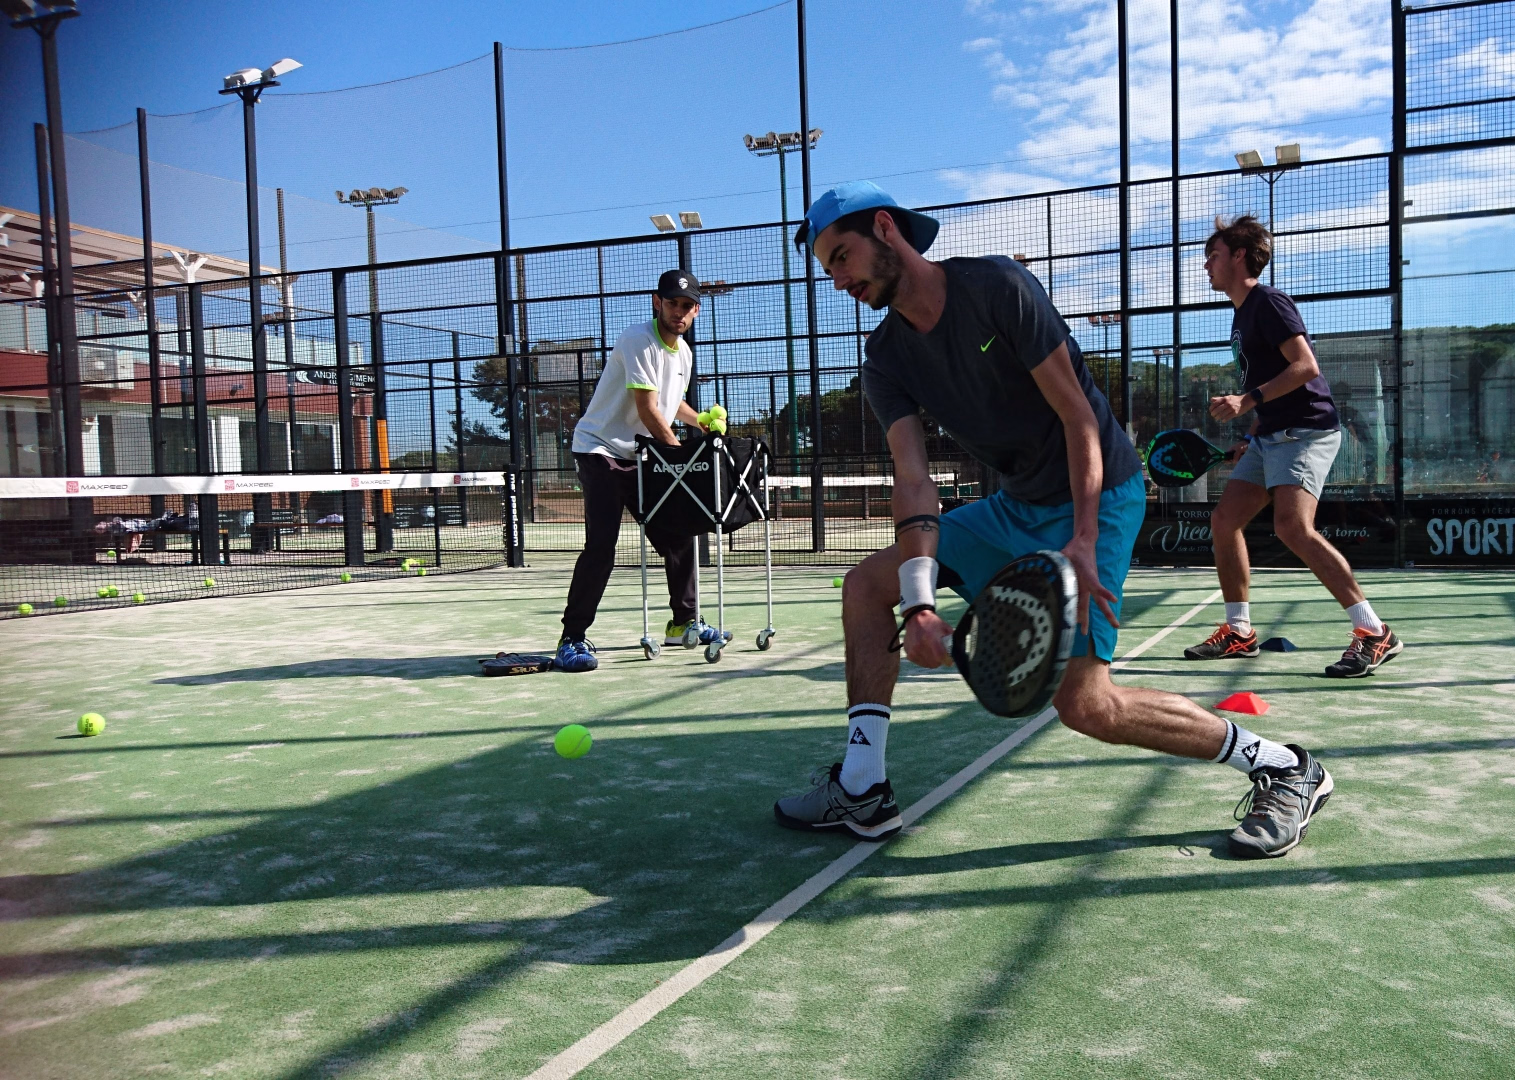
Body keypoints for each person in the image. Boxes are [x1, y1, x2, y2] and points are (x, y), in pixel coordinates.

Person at [771, 182, 1333, 859]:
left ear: (886, 229)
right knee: (867, 586)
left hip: (1100, 494)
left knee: (1087, 706)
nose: (837, 280)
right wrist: (918, 603)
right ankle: (862, 785)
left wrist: (1084, 539)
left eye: (841, 256)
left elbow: (1077, 416)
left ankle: (1284, 766)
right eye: (827, 268)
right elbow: (913, 478)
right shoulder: (886, 358)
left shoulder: (997, 288)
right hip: (1014, 507)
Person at [1183, 214, 1403, 678]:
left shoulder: (1268, 302)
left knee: (1292, 528)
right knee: (1224, 521)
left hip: (1306, 430)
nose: (1206, 265)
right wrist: (1250, 434)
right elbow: (1271, 386)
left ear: (1239, 256)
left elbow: (1305, 367)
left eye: (1213, 255)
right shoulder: (1242, 315)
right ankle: (1239, 632)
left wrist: (1246, 400)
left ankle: (1374, 631)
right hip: (1269, 435)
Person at [555, 269, 718, 673]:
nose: (679, 312)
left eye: (687, 306)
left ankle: (683, 623)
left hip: (640, 456)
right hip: (600, 450)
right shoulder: (637, 339)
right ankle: (571, 638)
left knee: (679, 535)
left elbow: (668, 402)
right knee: (602, 545)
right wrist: (679, 456)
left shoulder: (684, 354)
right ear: (656, 302)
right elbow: (647, 408)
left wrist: (698, 420)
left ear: (696, 311)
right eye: (672, 303)